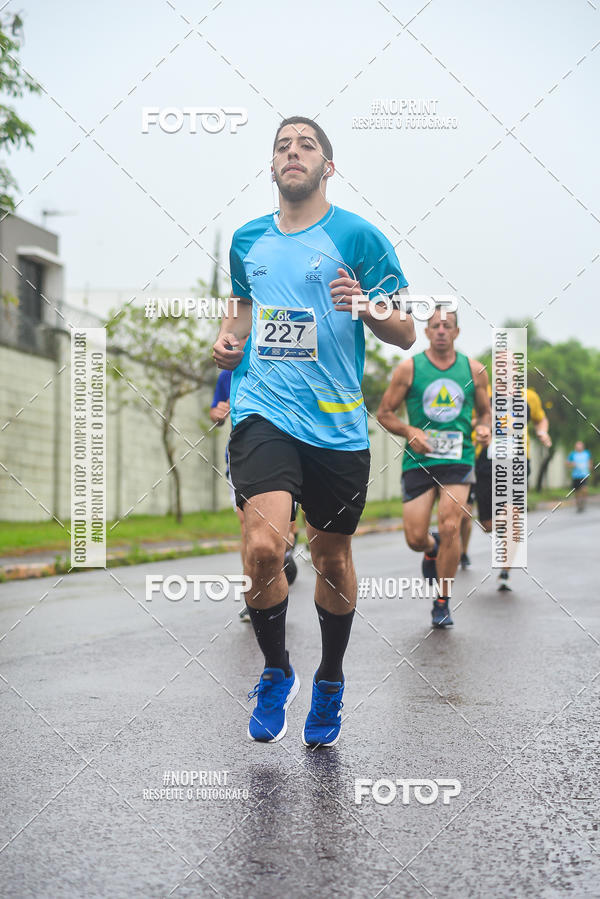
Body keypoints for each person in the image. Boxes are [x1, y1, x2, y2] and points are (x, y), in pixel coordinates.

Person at [212, 115, 415, 747]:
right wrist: (226, 341)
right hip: (263, 411)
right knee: (266, 548)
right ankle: (276, 672)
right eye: (282, 146)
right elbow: (242, 311)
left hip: (337, 427)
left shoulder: (358, 237)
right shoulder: (247, 239)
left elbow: (405, 330)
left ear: (329, 166)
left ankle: (330, 680)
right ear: (271, 166)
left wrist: (368, 307)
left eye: (306, 146)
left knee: (331, 557)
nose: (292, 153)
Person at [377, 307, 491, 627]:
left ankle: (442, 601)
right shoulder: (409, 369)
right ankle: (431, 549)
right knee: (415, 538)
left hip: (459, 458)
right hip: (419, 461)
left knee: (451, 524)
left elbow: (485, 413)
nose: (441, 330)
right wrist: (409, 431)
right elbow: (385, 413)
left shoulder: (475, 370)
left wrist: (484, 428)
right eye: (435, 325)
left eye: (448, 325)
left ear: (457, 332)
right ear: (426, 332)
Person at [209, 366, 298, 624]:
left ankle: (283, 555)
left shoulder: (288, 360)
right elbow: (217, 413)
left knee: (284, 534)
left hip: (289, 457)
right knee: (248, 528)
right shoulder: (231, 370)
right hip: (243, 458)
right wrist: (217, 414)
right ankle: (254, 597)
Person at [567, 440, 592, 512]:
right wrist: (572, 464)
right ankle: (579, 505)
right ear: (575, 447)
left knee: (584, 489)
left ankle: (583, 502)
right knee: (577, 492)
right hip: (575, 476)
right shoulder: (572, 454)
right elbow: (567, 463)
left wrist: (590, 467)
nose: (579, 447)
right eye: (577, 445)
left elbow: (589, 462)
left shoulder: (587, 453)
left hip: (584, 475)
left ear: (582, 446)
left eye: (580, 445)